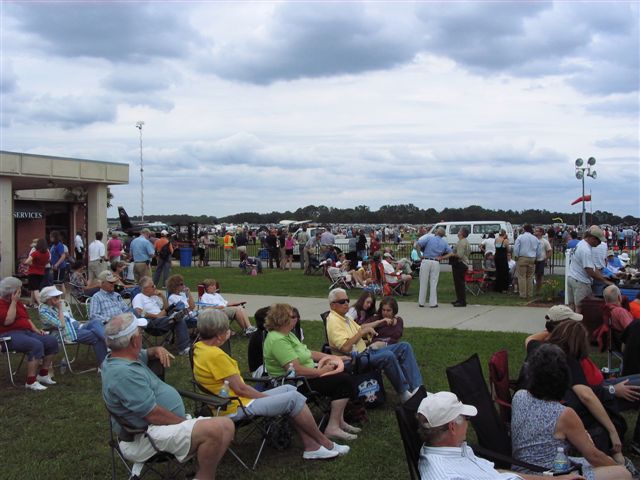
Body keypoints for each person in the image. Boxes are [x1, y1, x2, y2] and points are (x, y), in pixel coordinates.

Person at [192, 309, 350, 460]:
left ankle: (312, 447)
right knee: (293, 397)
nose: (229, 332)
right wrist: (264, 396)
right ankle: (325, 444)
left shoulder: (199, 348)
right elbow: (241, 389)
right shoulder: (216, 356)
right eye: (227, 329)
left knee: (290, 389)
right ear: (219, 334)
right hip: (235, 406)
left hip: (225, 402)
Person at [101, 312, 234, 479]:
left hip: (158, 429)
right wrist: (186, 423)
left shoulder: (123, 357)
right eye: (140, 333)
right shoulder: (123, 374)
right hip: (143, 437)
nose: (142, 336)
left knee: (227, 425)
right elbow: (153, 414)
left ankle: (200, 474)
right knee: (214, 430)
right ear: (134, 341)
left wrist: (157, 349)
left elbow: (146, 353)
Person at [511, 343, 630, 480]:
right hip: (551, 474)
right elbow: (594, 456)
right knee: (623, 474)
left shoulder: (519, 396)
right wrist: (617, 467)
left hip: (520, 470)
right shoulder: (564, 414)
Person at [417, 391, 583, 480]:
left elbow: (495, 473)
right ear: (452, 427)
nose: (468, 424)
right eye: (466, 418)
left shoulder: (451, 448)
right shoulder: (448, 476)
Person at [524, 314, 624, 459]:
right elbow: (586, 395)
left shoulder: (537, 347)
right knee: (601, 405)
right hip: (555, 406)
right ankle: (614, 453)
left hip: (538, 403)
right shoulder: (568, 358)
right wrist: (612, 430)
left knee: (602, 395)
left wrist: (551, 332)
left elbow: (529, 339)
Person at [262, 303, 361, 442]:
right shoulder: (277, 340)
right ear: (282, 318)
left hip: (306, 377)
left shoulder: (287, 334)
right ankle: (332, 427)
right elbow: (295, 369)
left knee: (346, 369)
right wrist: (321, 371)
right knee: (343, 380)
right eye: (292, 316)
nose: (295, 319)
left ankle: (339, 421)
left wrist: (334, 358)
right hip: (295, 384)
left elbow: (308, 353)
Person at [325, 288, 424, 402]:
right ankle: (404, 394)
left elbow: (360, 328)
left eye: (347, 300)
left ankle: (418, 388)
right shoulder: (334, 321)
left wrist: (369, 329)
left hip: (366, 352)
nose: (346, 303)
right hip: (355, 359)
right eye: (342, 301)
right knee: (388, 356)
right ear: (333, 305)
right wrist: (362, 333)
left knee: (404, 346)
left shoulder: (345, 317)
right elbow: (345, 348)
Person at [0, 276, 59, 391]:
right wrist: (13, 302)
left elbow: (26, 318)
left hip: (26, 332)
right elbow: (8, 321)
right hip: (8, 335)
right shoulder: (3, 303)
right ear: (12, 292)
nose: (21, 291)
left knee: (51, 341)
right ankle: (31, 381)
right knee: (35, 344)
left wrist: (36, 330)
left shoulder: (19, 303)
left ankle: (43, 374)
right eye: (18, 289)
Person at [38, 285, 108, 364]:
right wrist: (60, 308)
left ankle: (108, 342)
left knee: (96, 321)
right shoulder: (44, 311)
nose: (59, 299)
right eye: (56, 297)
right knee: (96, 336)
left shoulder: (53, 306)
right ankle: (104, 363)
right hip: (69, 333)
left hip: (77, 327)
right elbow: (61, 325)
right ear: (48, 299)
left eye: (58, 296)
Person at [132, 276, 190, 356]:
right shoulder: (139, 297)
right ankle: (184, 349)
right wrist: (155, 316)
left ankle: (177, 314)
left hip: (164, 318)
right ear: (145, 288)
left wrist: (162, 296)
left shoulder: (154, 297)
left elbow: (166, 309)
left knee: (179, 306)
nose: (155, 287)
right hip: (153, 322)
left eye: (154, 285)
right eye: (152, 286)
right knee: (179, 319)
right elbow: (138, 312)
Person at [567, 226, 613, 313]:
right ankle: (579, 325)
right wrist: (604, 281)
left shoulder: (581, 244)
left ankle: (571, 324)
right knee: (581, 307)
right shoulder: (585, 250)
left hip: (572, 277)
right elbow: (590, 271)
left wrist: (602, 276)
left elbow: (592, 266)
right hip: (581, 282)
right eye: (599, 241)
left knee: (572, 306)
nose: (599, 243)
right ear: (592, 238)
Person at [416, 227, 453, 308]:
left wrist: (419, 255)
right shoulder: (444, 242)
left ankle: (421, 302)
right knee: (434, 283)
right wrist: (442, 257)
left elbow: (418, 244)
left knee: (423, 282)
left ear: (436, 232)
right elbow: (451, 253)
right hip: (436, 262)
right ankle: (433, 303)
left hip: (426, 260)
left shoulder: (429, 237)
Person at [513, 224, 540, 299]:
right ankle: (529, 294)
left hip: (522, 258)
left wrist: (516, 256)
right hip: (532, 258)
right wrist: (536, 257)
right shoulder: (535, 238)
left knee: (521, 277)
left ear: (524, 229)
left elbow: (516, 248)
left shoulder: (520, 237)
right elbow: (538, 250)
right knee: (530, 277)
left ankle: (523, 294)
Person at [25, 237, 50, 307]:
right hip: (41, 273)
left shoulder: (35, 253)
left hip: (33, 272)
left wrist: (33, 264)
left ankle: (40, 304)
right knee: (34, 288)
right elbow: (48, 261)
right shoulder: (47, 254)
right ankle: (31, 303)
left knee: (35, 289)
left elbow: (27, 262)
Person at [451, 227, 471, 307]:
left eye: (459, 231)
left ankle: (462, 301)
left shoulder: (462, 242)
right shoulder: (462, 241)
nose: (458, 232)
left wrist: (451, 254)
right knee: (458, 283)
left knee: (460, 283)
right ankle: (459, 299)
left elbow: (459, 255)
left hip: (460, 264)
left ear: (462, 233)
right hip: (461, 264)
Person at [534, 227, 552, 296]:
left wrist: (545, 258)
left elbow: (549, 251)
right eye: (535, 231)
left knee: (540, 276)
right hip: (534, 260)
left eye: (538, 231)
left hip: (541, 260)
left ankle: (540, 290)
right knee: (536, 276)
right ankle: (537, 290)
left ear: (541, 233)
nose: (536, 232)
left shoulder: (544, 241)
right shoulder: (534, 240)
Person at [494, 228, 510, 293]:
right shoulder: (505, 240)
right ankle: (504, 288)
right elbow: (508, 249)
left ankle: (497, 287)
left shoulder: (496, 239)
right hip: (503, 257)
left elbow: (495, 247)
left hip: (497, 257)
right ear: (504, 234)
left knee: (498, 272)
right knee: (504, 272)